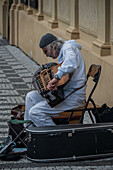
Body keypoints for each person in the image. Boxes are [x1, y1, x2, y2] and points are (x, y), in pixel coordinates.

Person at [24, 33, 86, 127]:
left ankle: (54, 136)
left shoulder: (68, 48)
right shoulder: (65, 50)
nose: (47, 55)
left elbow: (71, 63)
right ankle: (28, 131)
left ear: (52, 46)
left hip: (73, 97)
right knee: (30, 96)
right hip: (65, 93)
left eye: (46, 52)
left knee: (35, 112)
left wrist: (56, 78)